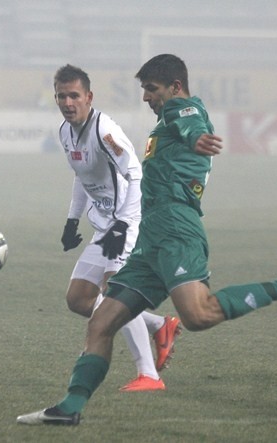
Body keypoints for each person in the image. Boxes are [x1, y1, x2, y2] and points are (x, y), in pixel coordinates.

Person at [17, 54, 277, 426]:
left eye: (151, 90)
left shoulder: (184, 111)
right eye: (143, 90)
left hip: (176, 228)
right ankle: (69, 408)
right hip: (150, 238)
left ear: (174, 87)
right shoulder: (163, 122)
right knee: (100, 322)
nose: (146, 98)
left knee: (199, 315)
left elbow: (187, 120)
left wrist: (196, 136)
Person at [53, 64, 181, 393]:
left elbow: (135, 173)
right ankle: (157, 325)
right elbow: (83, 177)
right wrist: (72, 220)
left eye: (74, 96)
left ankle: (149, 374)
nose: (68, 102)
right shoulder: (65, 133)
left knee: (115, 293)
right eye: (61, 96)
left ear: (88, 97)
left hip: (128, 222)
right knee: (79, 299)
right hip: (104, 227)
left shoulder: (104, 129)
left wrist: (123, 224)